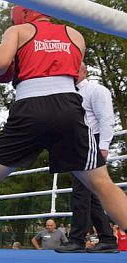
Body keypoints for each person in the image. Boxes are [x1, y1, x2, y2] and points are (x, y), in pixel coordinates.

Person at [0, 5, 127, 258]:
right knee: (102, 183)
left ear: (25, 12)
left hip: (29, 107)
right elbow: (72, 70)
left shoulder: (17, 30)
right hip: (68, 107)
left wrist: (5, 67)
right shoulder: (75, 35)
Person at [55, 63, 118, 253]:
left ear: (84, 71)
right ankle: (107, 239)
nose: (70, 72)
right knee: (91, 196)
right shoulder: (67, 94)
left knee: (81, 193)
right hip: (77, 143)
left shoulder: (97, 90)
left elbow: (106, 118)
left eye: (74, 68)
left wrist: (104, 147)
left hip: (93, 141)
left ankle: (77, 240)